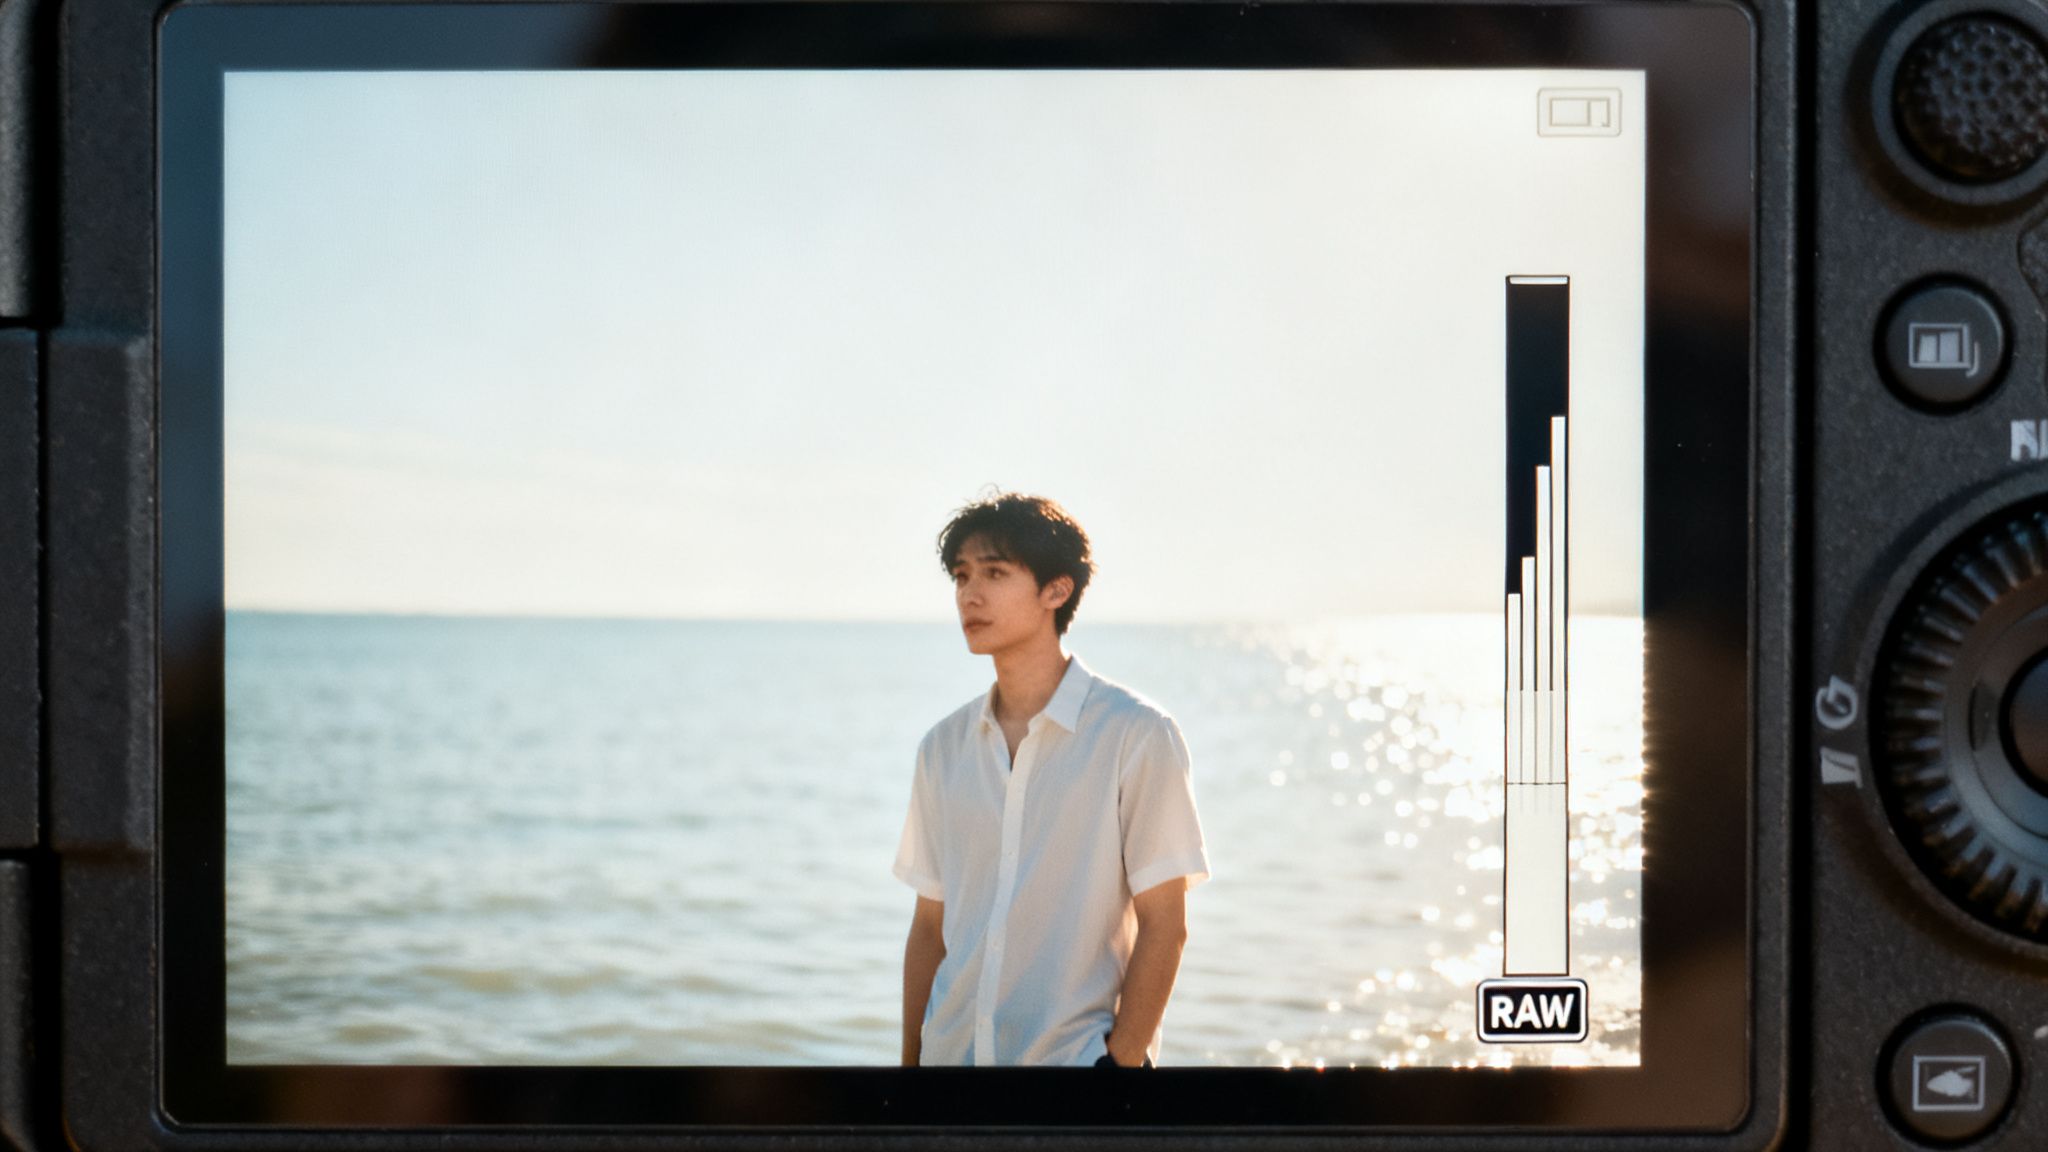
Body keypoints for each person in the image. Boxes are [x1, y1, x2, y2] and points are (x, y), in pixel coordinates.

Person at [894, 491, 1209, 1068]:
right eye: (962, 576)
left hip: (1075, 1080)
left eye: (994, 573)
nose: (970, 593)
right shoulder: (942, 749)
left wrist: (1117, 1071)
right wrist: (910, 1077)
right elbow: (928, 930)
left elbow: (1166, 923)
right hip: (949, 1077)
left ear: (1055, 590)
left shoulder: (1136, 735)